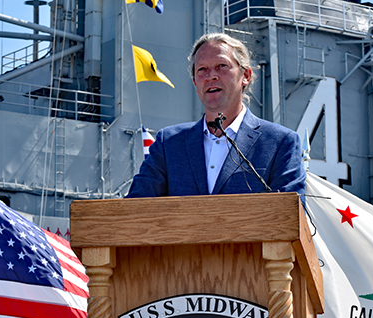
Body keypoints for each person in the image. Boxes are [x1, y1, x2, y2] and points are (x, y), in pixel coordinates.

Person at [126, 33, 305, 198]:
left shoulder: (280, 143)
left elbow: (291, 218)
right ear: (195, 83)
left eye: (221, 66)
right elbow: (134, 209)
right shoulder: (169, 144)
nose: (211, 76)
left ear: (246, 75)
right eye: (202, 69)